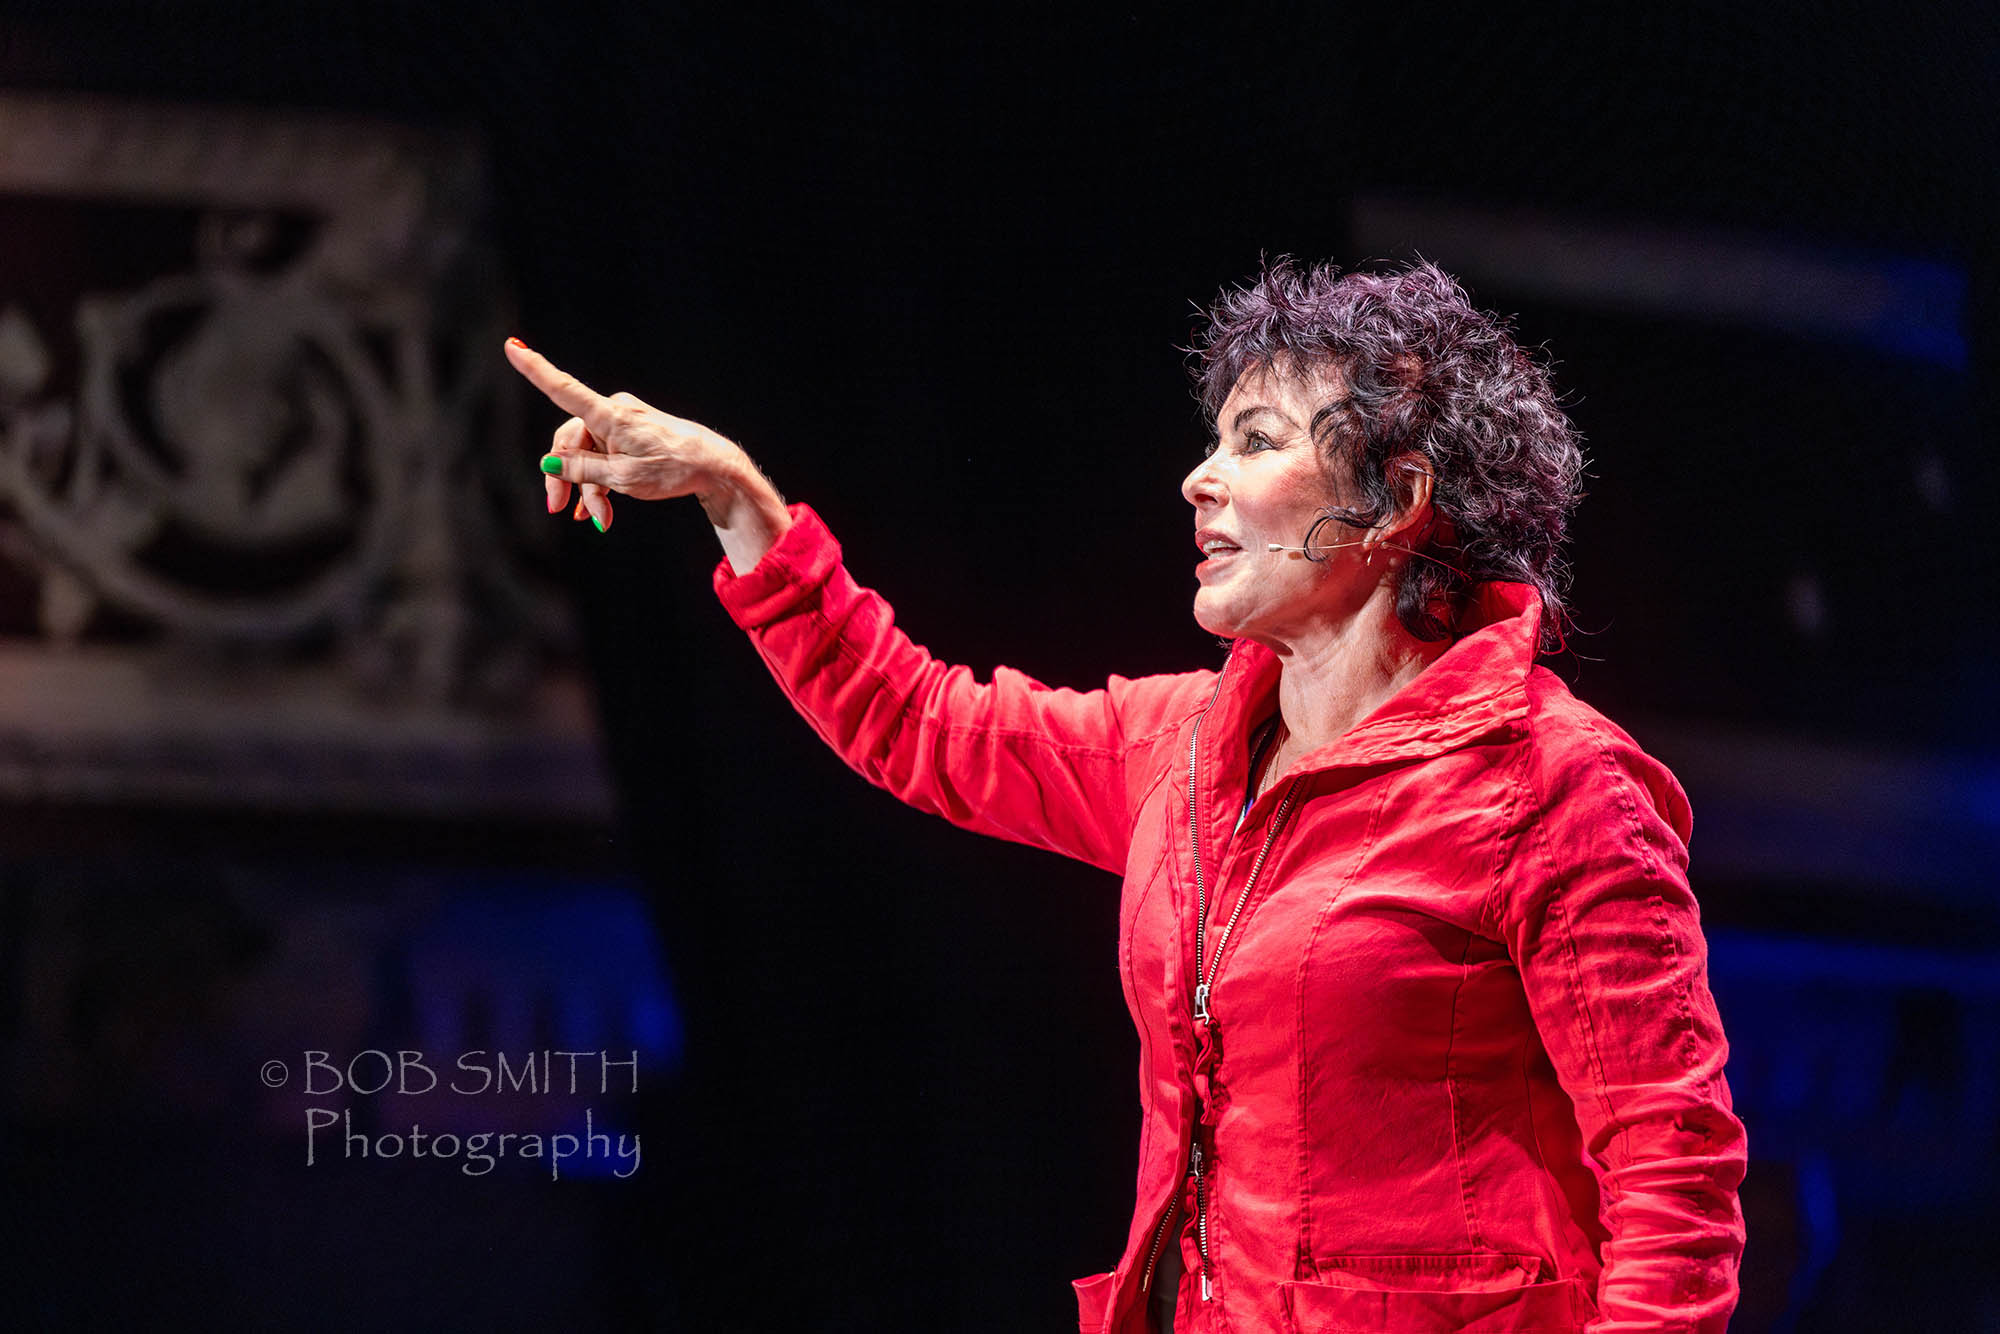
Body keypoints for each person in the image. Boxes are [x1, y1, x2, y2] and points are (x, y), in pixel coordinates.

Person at [505, 258, 1748, 1334]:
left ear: (1395, 499)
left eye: (1253, 440)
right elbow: (920, 722)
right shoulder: (1182, 744)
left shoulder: (1551, 783)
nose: (1196, 480)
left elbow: (1671, 1181)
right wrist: (738, 500)